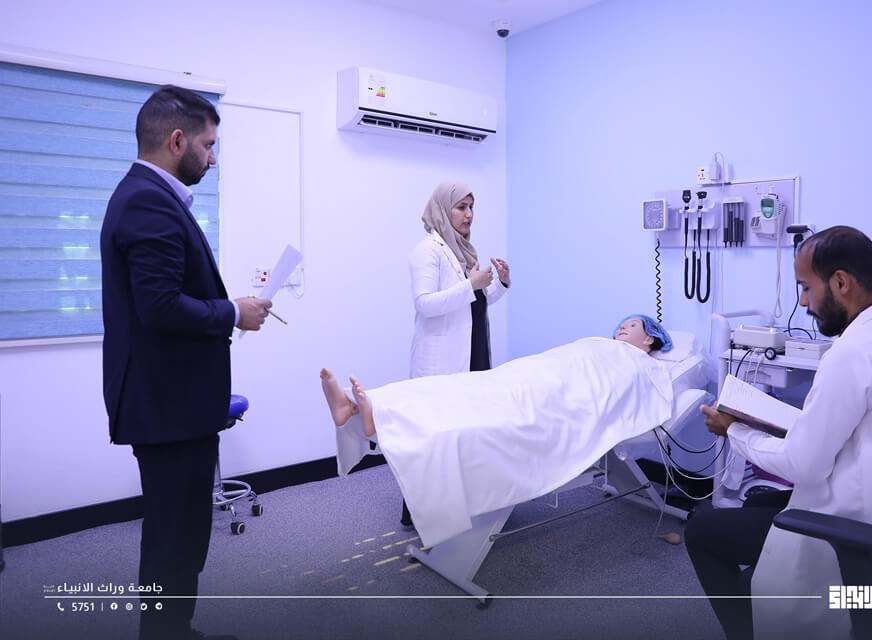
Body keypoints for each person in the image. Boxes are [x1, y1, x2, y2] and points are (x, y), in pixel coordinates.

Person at [685, 226, 872, 640]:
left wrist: (735, 430)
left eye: (805, 287)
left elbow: (803, 465)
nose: (802, 301)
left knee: (702, 529)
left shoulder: (853, 353)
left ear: (841, 282)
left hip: (865, 570)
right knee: (759, 505)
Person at [100, 85, 271, 640]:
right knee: (175, 538)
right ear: (177, 141)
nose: (213, 158)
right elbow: (159, 306)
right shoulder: (147, 201)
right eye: (208, 145)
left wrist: (227, 309)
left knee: (179, 533)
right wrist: (233, 312)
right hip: (167, 405)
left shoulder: (147, 195)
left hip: (171, 402)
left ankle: (172, 630)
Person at [320, 314, 675, 547]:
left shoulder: (642, 366)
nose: (621, 329)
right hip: (529, 376)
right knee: (458, 389)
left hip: (554, 391)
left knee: (477, 402)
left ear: (650, 340)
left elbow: (621, 397)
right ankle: (363, 405)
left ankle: (373, 412)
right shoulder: (597, 345)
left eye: (632, 326)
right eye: (620, 325)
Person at [399, 182, 512, 526]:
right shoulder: (427, 251)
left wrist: (499, 284)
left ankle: (463, 506)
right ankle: (422, 514)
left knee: (466, 433)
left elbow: (473, 304)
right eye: (461, 207)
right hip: (442, 360)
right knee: (434, 439)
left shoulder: (463, 251)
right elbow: (425, 304)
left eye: (471, 207)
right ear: (442, 210)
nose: (469, 215)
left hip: (472, 352)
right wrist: (470, 285)